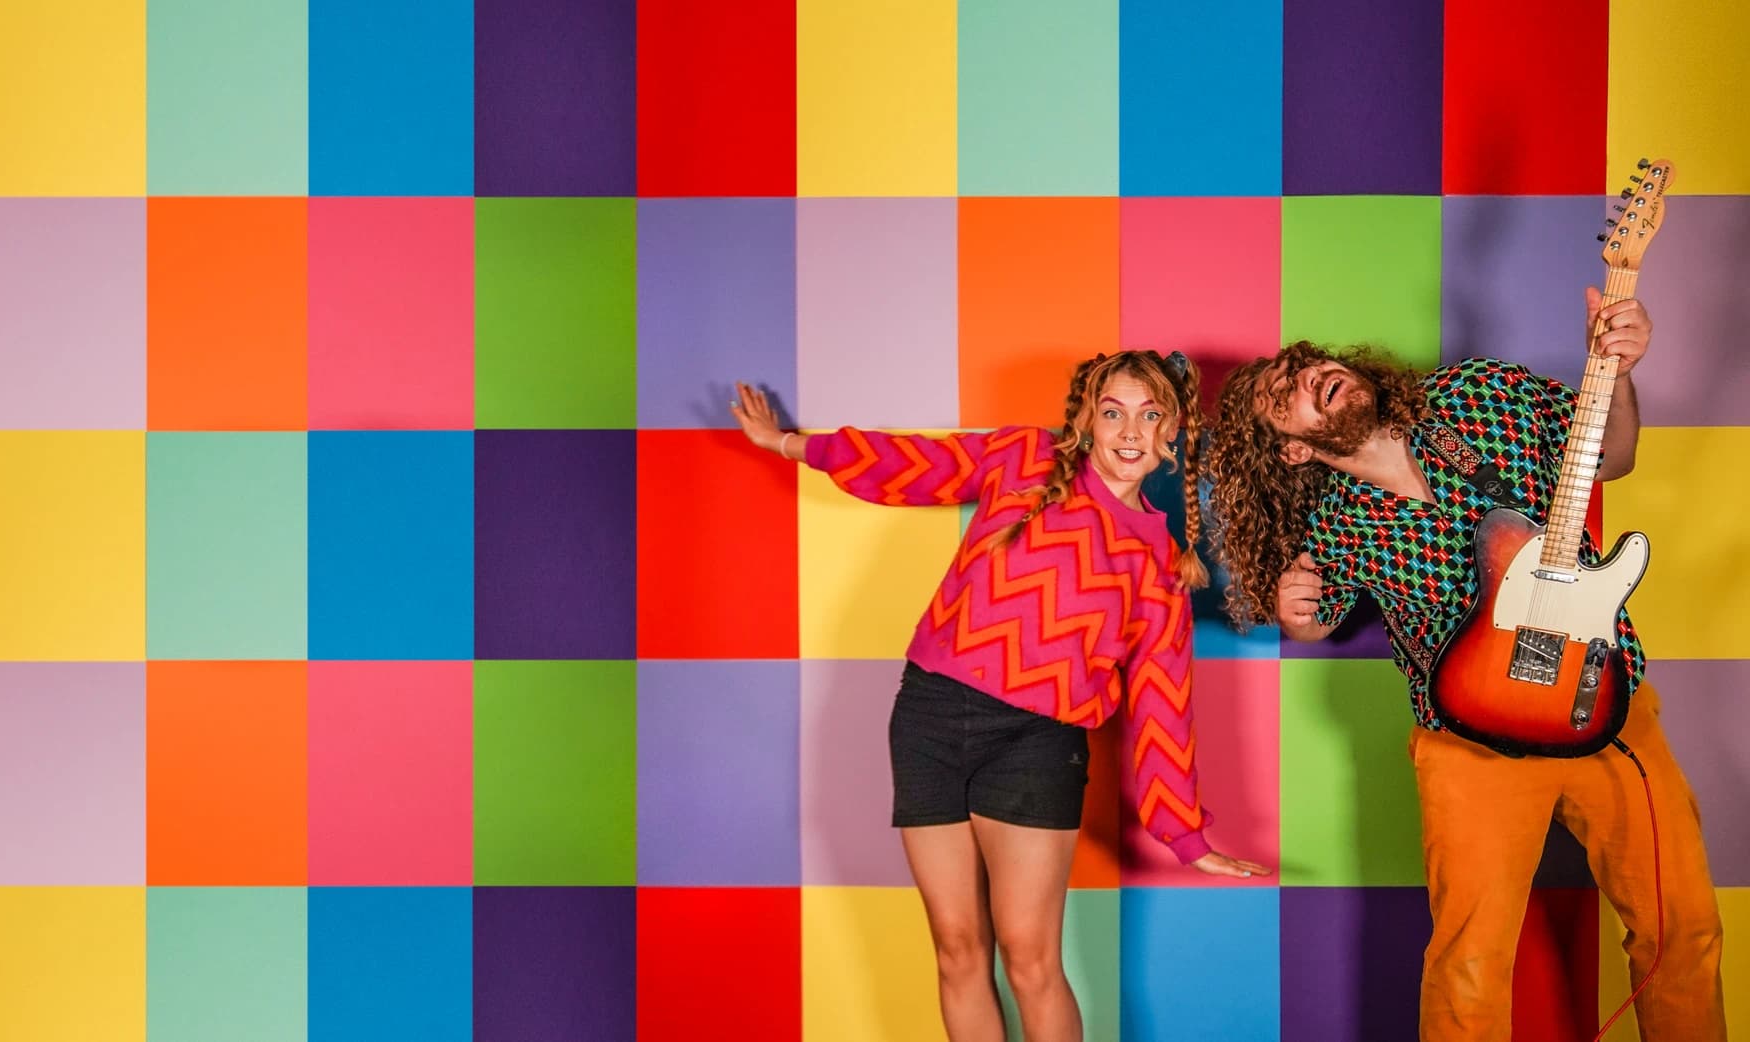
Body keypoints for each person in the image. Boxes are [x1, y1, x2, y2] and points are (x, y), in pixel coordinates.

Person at [1203, 289, 1725, 1042]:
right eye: (1286, 395)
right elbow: (1318, 619)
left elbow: (1611, 455)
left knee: (1683, 929)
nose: (1310, 375)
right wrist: (1295, 613)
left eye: (1308, 363)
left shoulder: (1481, 392)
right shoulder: (1335, 523)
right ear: (1292, 449)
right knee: (1469, 966)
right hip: (1470, 745)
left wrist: (1618, 372)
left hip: (1602, 702)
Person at [731, 350, 1269, 1042]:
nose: (1130, 431)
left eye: (1149, 414)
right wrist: (787, 444)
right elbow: (914, 463)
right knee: (957, 949)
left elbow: (1164, 702)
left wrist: (1185, 835)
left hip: (1036, 746)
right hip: (927, 717)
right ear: (1087, 419)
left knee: (1030, 959)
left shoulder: (1161, 562)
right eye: (1113, 412)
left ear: (1171, 431)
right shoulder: (1026, 459)